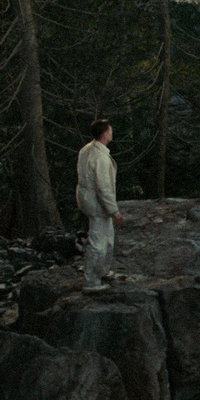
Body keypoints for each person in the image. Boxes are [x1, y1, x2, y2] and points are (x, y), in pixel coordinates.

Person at [76, 119, 123, 292]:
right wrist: (114, 211)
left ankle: (102, 271)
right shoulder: (100, 157)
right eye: (110, 130)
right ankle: (91, 280)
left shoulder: (86, 149)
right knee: (98, 241)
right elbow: (104, 188)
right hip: (96, 204)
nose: (112, 132)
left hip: (87, 199)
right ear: (104, 134)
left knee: (106, 236)